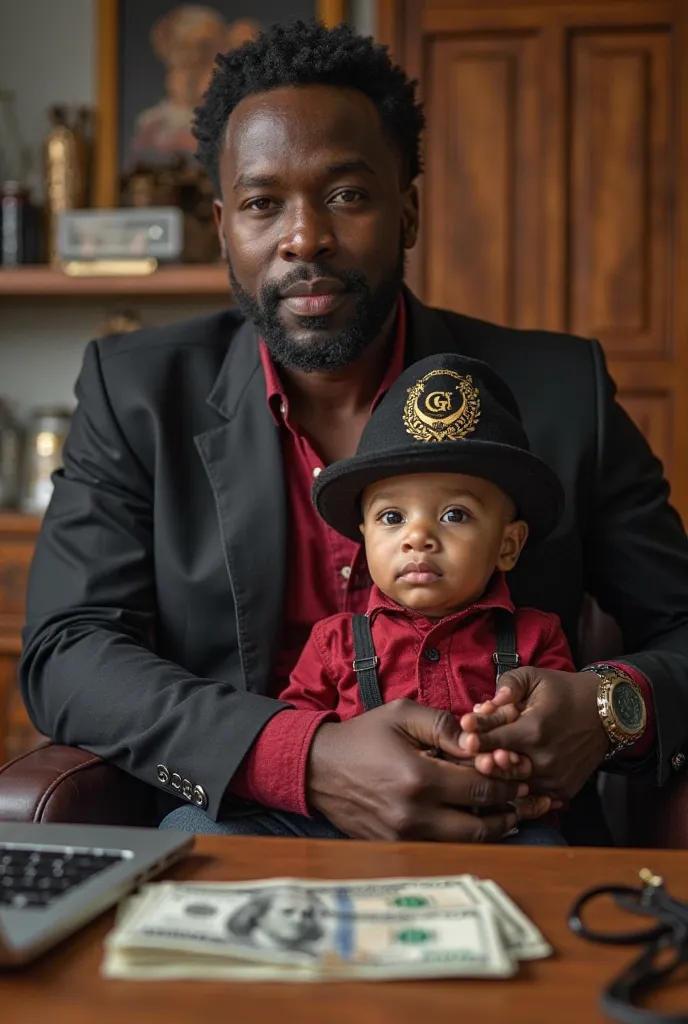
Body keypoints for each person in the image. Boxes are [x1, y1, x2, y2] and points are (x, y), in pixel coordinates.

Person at [19, 21, 688, 846]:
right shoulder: (136, 393)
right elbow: (69, 649)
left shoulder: (560, 392)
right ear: (226, 227)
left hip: (511, 838)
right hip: (251, 833)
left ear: (406, 211)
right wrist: (302, 757)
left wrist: (609, 707)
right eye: (264, 204)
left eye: (346, 194)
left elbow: (681, 627)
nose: (306, 238)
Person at [220, 351, 579, 845]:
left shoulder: (537, 638)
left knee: (546, 849)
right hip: (349, 827)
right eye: (393, 518)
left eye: (455, 515)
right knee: (189, 826)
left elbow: (557, 742)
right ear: (364, 539)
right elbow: (300, 739)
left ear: (508, 545)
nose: (418, 537)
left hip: (494, 826)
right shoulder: (335, 642)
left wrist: (516, 761)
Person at [226, 888, 326, 955]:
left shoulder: (309, 956)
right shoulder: (232, 950)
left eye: (306, 914)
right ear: (259, 915)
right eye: (287, 912)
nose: (299, 920)